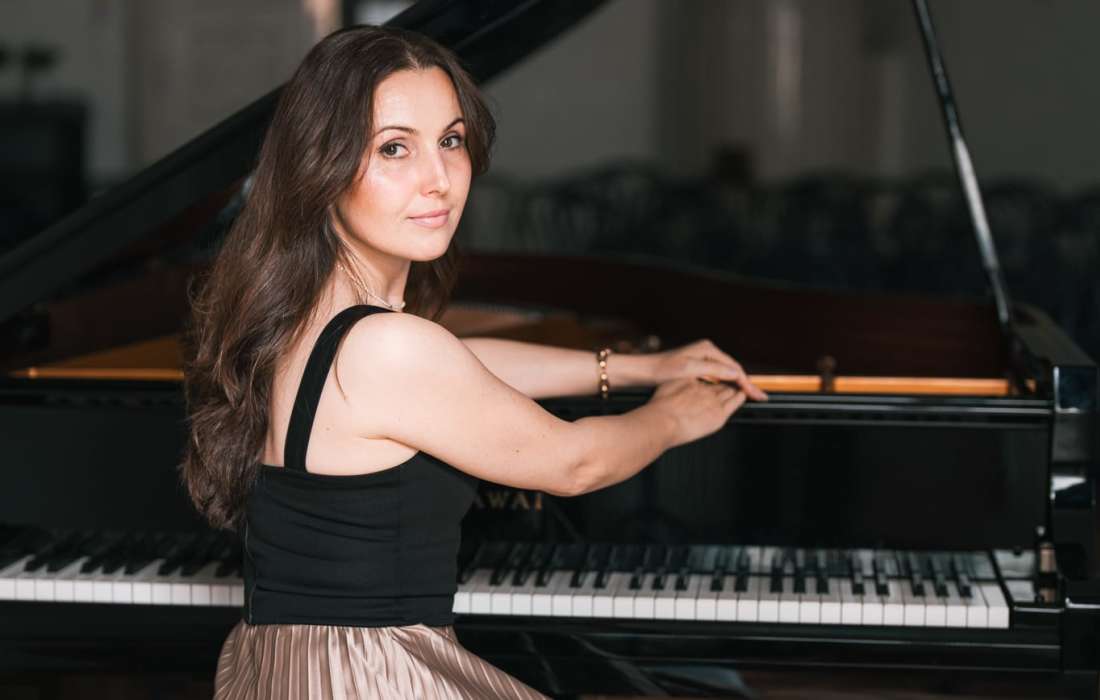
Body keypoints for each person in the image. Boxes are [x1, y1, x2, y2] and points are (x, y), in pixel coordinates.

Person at [181, 24, 766, 700]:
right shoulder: (388, 348)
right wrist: (673, 417)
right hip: (369, 672)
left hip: (291, 662)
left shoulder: (300, 317)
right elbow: (577, 465)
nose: (438, 180)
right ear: (322, 165)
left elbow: (461, 365)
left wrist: (636, 368)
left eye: (451, 141)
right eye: (394, 148)